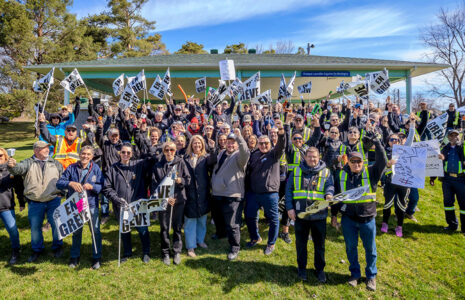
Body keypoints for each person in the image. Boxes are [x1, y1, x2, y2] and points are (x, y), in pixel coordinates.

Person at [334, 135, 387, 291]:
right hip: (348, 219)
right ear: (348, 163)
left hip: (367, 219)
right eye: (353, 161)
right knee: (351, 248)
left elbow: (382, 161)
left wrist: (377, 143)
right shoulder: (342, 174)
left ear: (363, 162)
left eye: (359, 161)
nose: (356, 164)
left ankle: (371, 276)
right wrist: (333, 217)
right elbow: (337, 196)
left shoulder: (371, 173)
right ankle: (355, 274)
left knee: (370, 249)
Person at [7, 141, 64, 262]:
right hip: (35, 202)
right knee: (35, 228)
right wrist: (11, 166)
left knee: (56, 225)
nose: (47, 150)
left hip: (53, 200)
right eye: (44, 148)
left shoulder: (55, 163)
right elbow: (17, 170)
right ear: (36, 150)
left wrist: (62, 193)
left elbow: (63, 178)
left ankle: (57, 247)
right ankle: (37, 250)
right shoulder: (28, 162)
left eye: (48, 148)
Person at [285, 147, 334, 282]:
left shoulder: (326, 172)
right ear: (305, 157)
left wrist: (329, 194)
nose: (312, 159)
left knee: (319, 245)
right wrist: (289, 208)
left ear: (319, 158)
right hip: (301, 215)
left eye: (315, 157)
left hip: (319, 215)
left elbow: (330, 186)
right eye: (309, 156)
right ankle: (302, 268)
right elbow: (289, 191)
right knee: (301, 244)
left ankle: (320, 269)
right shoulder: (296, 171)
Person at [102, 143, 153, 263]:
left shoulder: (138, 165)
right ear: (119, 153)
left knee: (142, 229)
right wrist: (116, 199)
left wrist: (143, 139)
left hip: (138, 205)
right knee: (125, 230)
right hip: (121, 205)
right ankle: (127, 252)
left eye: (128, 153)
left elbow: (151, 160)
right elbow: (107, 188)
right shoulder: (113, 168)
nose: (125, 154)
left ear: (132, 154)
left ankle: (146, 252)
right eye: (123, 152)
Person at [56, 146, 104, 269]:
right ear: (79, 154)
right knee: (76, 231)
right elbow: (59, 183)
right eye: (83, 154)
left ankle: (96, 257)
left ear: (92, 156)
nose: (85, 156)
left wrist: (92, 186)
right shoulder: (71, 168)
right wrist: (70, 183)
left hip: (91, 204)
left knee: (95, 231)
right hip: (75, 204)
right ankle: (74, 256)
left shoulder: (96, 169)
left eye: (88, 154)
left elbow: (101, 187)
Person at [245, 119, 285, 255]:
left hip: (270, 193)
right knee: (250, 216)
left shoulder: (274, 154)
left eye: (266, 143)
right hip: (253, 193)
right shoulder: (254, 154)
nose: (263, 145)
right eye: (261, 143)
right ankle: (255, 237)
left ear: (270, 144)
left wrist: (281, 132)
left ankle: (271, 243)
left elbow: (281, 144)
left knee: (273, 219)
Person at [211, 128, 250, 260]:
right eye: (228, 142)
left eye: (233, 142)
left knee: (232, 223)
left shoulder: (240, 156)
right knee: (218, 217)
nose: (230, 144)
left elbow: (246, 152)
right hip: (217, 193)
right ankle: (220, 234)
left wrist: (240, 138)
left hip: (232, 194)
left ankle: (235, 247)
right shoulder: (222, 153)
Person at [151, 141, 190, 265]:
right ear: (163, 152)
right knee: (164, 228)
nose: (169, 152)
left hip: (178, 201)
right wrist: (165, 198)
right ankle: (165, 252)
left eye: (172, 150)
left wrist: (180, 180)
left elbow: (188, 179)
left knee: (177, 227)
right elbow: (154, 185)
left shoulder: (180, 162)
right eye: (166, 150)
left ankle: (177, 251)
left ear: (175, 151)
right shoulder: (158, 166)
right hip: (164, 201)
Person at [183, 136, 216, 257]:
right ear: (191, 144)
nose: (197, 145)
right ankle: (191, 246)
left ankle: (200, 240)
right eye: (195, 143)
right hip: (189, 193)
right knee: (190, 220)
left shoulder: (205, 158)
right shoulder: (185, 158)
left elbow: (213, 161)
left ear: (202, 145)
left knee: (202, 219)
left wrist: (212, 149)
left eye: (199, 143)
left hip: (203, 192)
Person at [432, 129, 465, 235]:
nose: (454, 137)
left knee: (463, 205)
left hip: (461, 180)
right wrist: (433, 178)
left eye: (456, 135)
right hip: (447, 180)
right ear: (448, 137)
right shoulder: (444, 149)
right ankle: (452, 225)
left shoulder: (462, 148)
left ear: (458, 136)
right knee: (448, 203)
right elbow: (436, 165)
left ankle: (464, 228)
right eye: (452, 135)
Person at [0, 147, 24, 265]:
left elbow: (19, 187)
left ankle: (16, 250)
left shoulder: (11, 170)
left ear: (5, 156)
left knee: (12, 229)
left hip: (6, 206)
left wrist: (22, 202)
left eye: (0, 156)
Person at [380, 133, 407, 237]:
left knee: (401, 205)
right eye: (392, 139)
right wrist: (387, 165)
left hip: (403, 182)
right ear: (388, 141)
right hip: (390, 182)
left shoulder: (405, 151)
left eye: (396, 140)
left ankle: (399, 226)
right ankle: (384, 223)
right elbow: (381, 169)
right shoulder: (384, 152)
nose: (394, 141)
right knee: (387, 204)